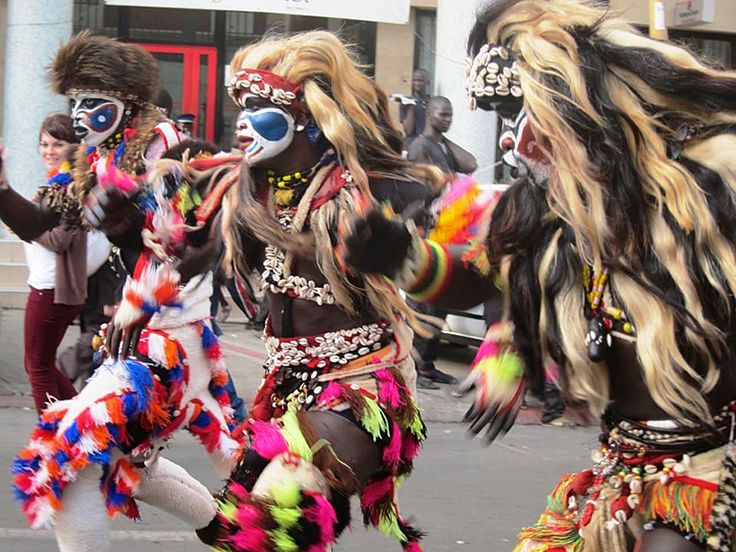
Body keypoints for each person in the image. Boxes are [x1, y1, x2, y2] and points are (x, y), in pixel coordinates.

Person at [343, 0, 736, 550]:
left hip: (711, 471)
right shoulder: (549, 208)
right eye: (507, 118)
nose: (517, 141)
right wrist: (402, 256)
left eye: (525, 114)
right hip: (618, 471)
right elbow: (482, 275)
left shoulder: (709, 197)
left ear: (577, 107)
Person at [182, 31, 444, 550]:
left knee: (284, 494)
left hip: (361, 387)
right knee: (242, 530)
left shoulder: (366, 189)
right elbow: (185, 252)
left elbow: (452, 225)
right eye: (239, 105)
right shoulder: (249, 192)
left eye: (257, 106)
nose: (240, 122)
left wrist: (411, 241)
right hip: (286, 387)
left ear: (303, 116)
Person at [9, 32, 242, 551]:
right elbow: (42, 225)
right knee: (127, 461)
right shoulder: (93, 160)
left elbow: (203, 244)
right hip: (135, 338)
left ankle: (244, 522)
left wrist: (147, 296)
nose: (80, 116)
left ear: (127, 103)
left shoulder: (165, 151)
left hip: (172, 342)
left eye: (94, 103)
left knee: (66, 465)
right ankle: (225, 530)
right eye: (75, 104)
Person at [0, 114, 84, 413]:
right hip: (49, 285)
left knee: (37, 368)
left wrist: (29, 230)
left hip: (51, 288)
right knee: (40, 363)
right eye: (44, 144)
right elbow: (38, 224)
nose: (49, 150)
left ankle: (52, 436)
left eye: (57, 144)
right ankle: (79, 421)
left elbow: (59, 239)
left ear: (75, 146)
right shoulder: (57, 184)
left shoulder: (72, 185)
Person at [406, 95, 477, 389]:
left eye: (450, 114)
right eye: (441, 114)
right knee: (426, 305)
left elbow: (471, 163)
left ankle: (430, 364)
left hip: (446, 234)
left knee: (440, 303)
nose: (447, 118)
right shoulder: (421, 146)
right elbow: (423, 186)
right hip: (428, 233)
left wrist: (445, 138)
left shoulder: (440, 145)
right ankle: (417, 367)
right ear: (428, 114)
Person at [398, 68, 431, 147]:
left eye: (420, 81)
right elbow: (408, 131)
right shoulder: (405, 103)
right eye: (415, 80)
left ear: (428, 82)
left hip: (428, 144)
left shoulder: (433, 103)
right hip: (411, 144)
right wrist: (411, 105)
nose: (417, 83)